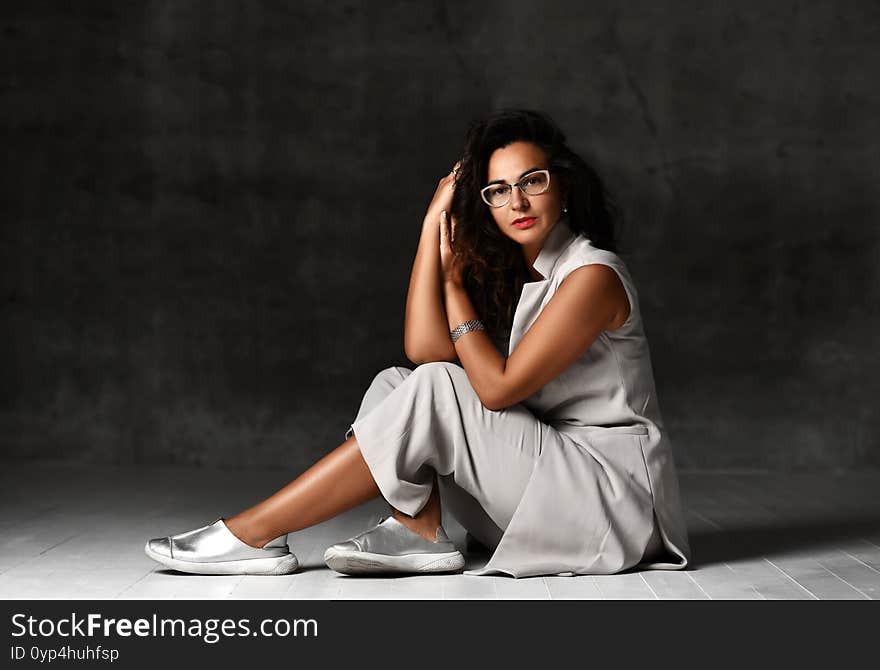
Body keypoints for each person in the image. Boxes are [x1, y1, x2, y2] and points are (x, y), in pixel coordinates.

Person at [144, 109, 691, 578]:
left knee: (436, 386)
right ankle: (417, 529)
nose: (517, 201)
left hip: (612, 505)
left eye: (533, 181)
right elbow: (423, 349)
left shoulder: (592, 274)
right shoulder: (537, 274)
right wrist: (433, 220)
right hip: (551, 491)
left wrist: (454, 284)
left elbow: (497, 392)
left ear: (564, 186)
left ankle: (256, 532)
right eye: (498, 190)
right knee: (397, 382)